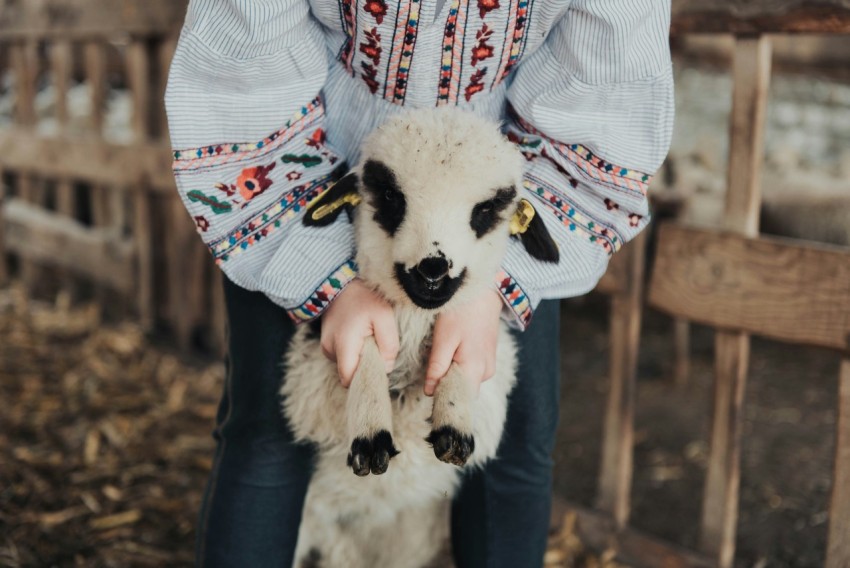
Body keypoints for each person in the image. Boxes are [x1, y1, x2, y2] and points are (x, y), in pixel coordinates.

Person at [165, 1, 673, 566]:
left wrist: (489, 281)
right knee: (265, 431)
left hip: (489, 216)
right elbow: (242, 80)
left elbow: (605, 92)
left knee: (518, 438)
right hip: (314, 187)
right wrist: (327, 276)